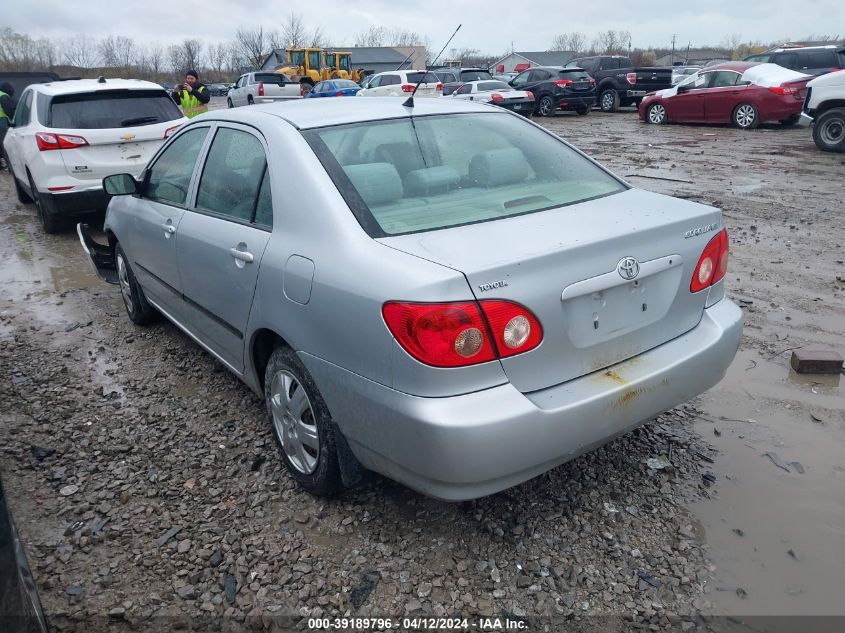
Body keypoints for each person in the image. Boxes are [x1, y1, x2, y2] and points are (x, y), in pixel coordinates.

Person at [0, 82, 16, 171]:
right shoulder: (4, 96)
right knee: (5, 145)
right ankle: (9, 167)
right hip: (2, 123)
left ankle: (2, 165)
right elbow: (9, 111)